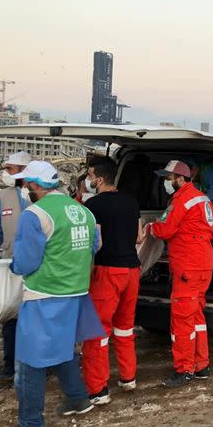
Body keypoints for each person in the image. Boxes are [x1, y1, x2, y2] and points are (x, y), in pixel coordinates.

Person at [0, 161, 104, 427]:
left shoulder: (35, 214)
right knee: (62, 347)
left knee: (29, 360)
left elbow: (26, 261)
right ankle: (78, 400)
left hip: (45, 294)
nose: (24, 190)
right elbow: (95, 246)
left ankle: (31, 424)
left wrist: (13, 267)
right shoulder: (84, 211)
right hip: (76, 292)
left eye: (24, 184)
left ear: (34, 185)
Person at [81, 158, 143, 405]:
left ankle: (97, 390)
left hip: (108, 271)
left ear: (99, 178)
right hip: (132, 271)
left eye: (89, 174)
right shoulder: (131, 202)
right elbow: (139, 238)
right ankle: (128, 377)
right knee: (125, 327)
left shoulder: (93, 205)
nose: (88, 179)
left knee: (97, 330)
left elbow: (94, 243)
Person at [148, 160, 213, 387]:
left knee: (182, 319)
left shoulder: (182, 199)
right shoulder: (203, 198)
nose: (166, 182)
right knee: (196, 317)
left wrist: (149, 227)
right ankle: (201, 365)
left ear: (179, 178)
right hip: (203, 263)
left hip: (188, 266)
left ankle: (184, 369)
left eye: (168, 178)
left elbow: (165, 229)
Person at [0, 151, 31, 382]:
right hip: (11, 265)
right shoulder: (3, 196)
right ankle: (10, 367)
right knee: (11, 318)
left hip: (37, 267)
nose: (5, 172)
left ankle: (35, 366)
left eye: (9, 169)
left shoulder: (41, 196)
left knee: (34, 318)